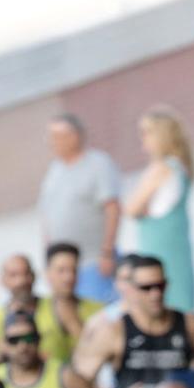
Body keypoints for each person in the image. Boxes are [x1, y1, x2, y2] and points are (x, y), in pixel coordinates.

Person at [74, 255, 194, 388]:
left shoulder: (189, 324)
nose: (155, 294)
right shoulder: (114, 330)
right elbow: (77, 382)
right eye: (146, 288)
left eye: (160, 286)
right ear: (131, 290)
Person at [39, 114, 121, 303]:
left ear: (75, 136)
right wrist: (49, 262)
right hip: (63, 266)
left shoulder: (98, 163)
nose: (52, 142)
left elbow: (112, 208)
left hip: (94, 262)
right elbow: (46, 215)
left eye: (57, 137)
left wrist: (107, 252)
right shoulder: (55, 169)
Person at [125, 106, 194, 313]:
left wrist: (142, 209)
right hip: (176, 249)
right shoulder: (180, 166)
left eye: (147, 133)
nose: (143, 140)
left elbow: (131, 208)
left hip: (163, 251)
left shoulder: (162, 168)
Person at [37, 242, 103, 364]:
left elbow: (102, 352)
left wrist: (72, 322)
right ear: (47, 273)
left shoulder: (99, 310)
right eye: (61, 270)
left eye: (74, 270)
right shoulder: (35, 311)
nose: (69, 277)